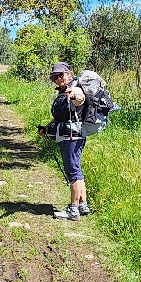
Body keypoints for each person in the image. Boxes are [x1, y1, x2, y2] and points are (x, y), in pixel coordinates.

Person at [48, 62, 92, 221]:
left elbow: (79, 98)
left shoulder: (75, 88)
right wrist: (47, 128)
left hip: (72, 138)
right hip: (72, 136)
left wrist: (73, 95)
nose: (58, 79)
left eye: (60, 75)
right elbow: (61, 116)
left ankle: (73, 210)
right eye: (55, 77)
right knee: (77, 170)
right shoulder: (63, 91)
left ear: (68, 73)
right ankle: (82, 204)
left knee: (72, 171)